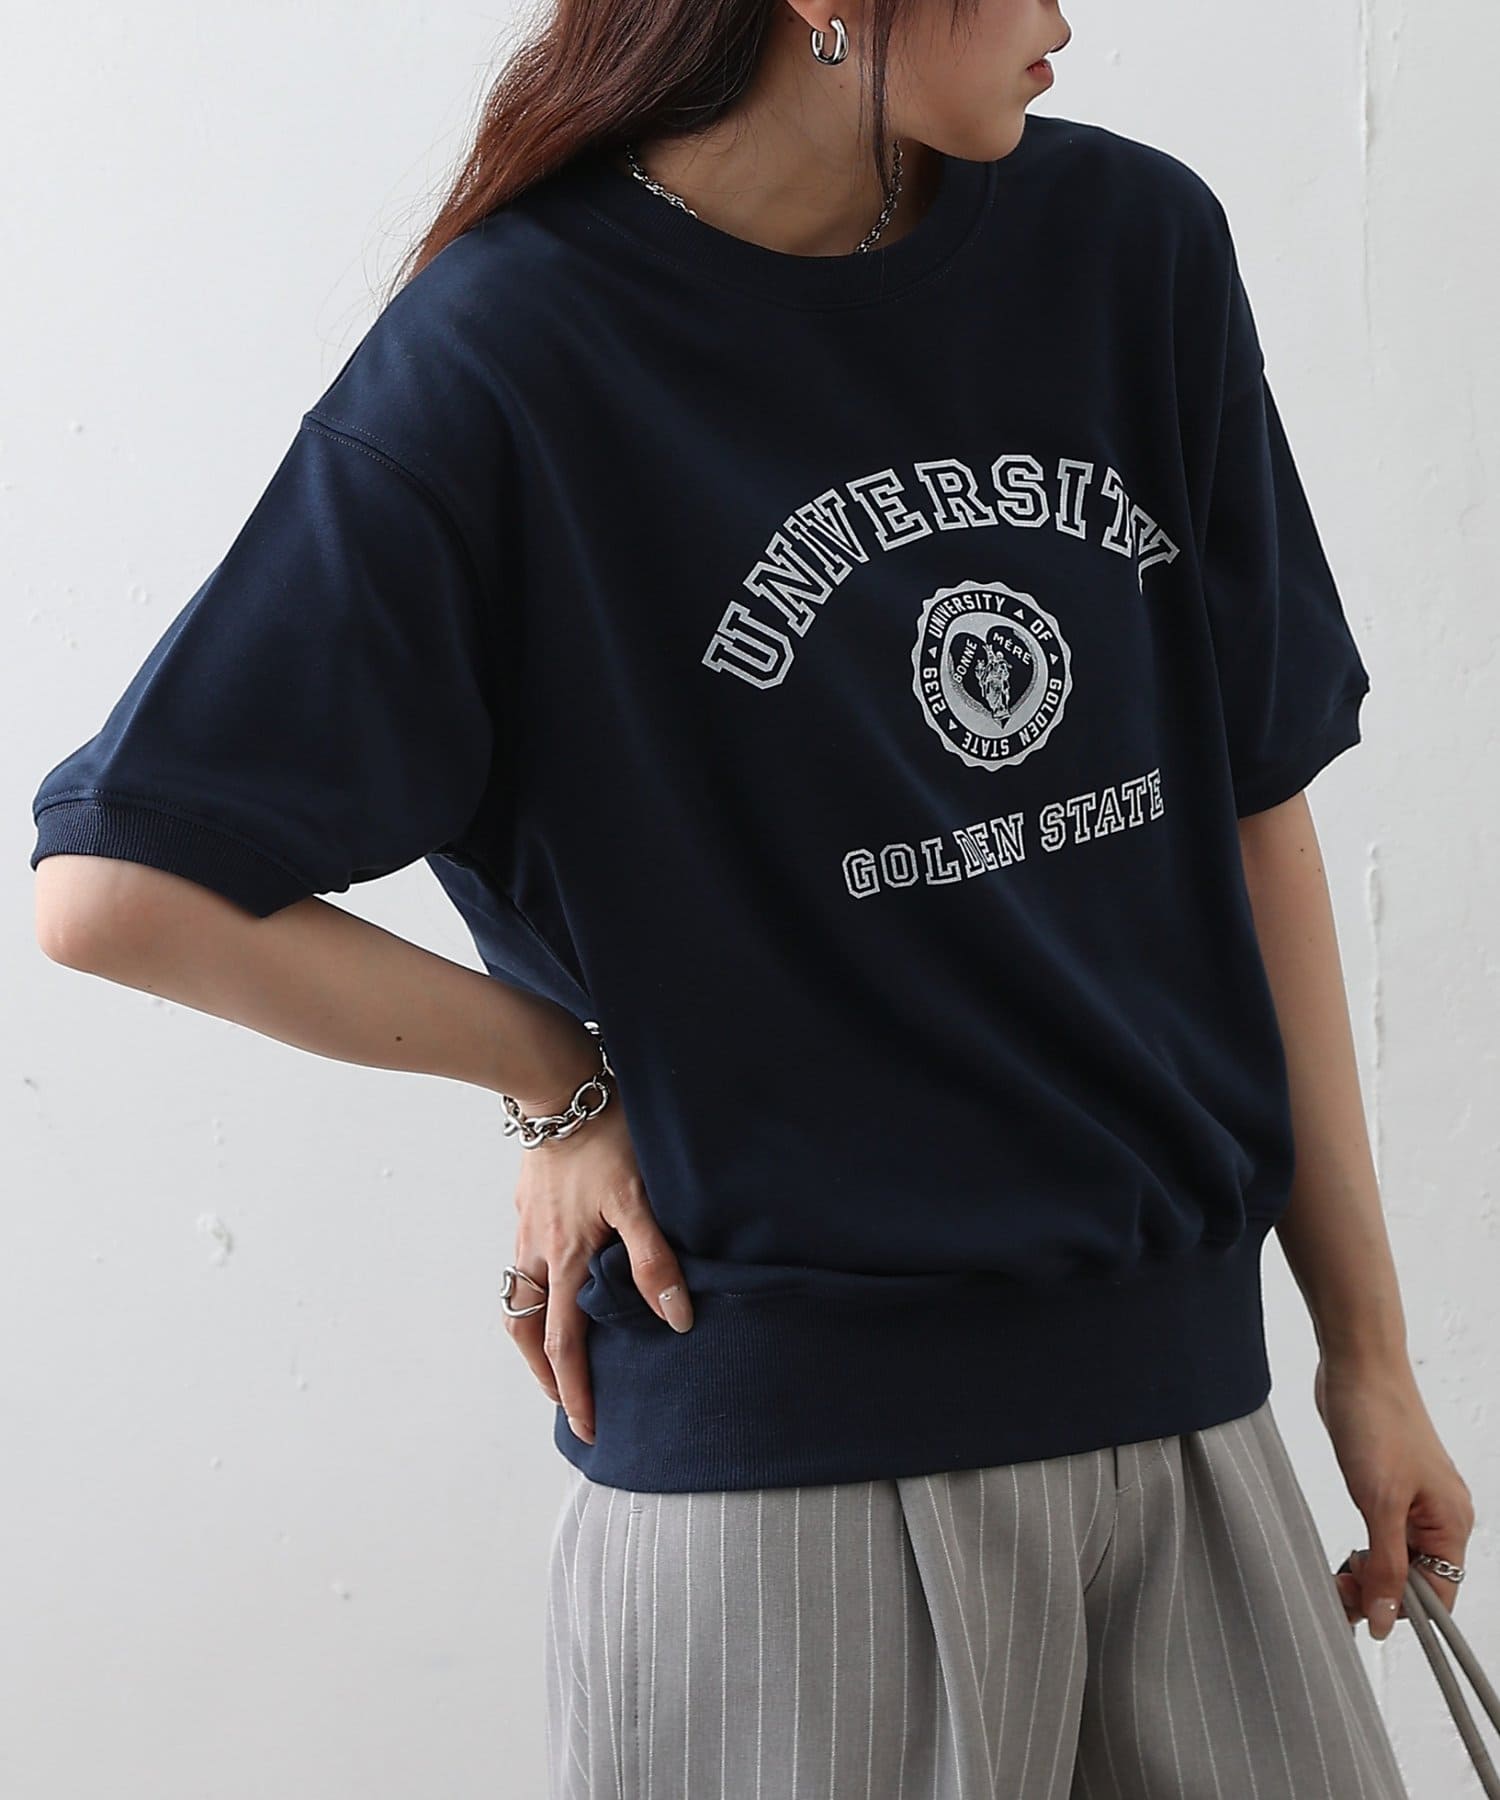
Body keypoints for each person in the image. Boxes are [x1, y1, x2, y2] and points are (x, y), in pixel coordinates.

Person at [28, 2, 1475, 1794]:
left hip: (1189, 1429)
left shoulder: (1131, 250)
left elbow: (1252, 807)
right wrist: (558, 1075)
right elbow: (121, 889)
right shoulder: (511, 356)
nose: (1064, 19)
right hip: (791, 1499)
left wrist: (1368, 1353)